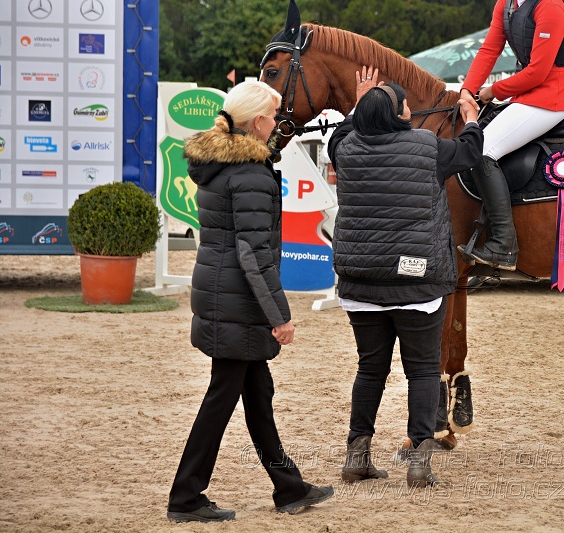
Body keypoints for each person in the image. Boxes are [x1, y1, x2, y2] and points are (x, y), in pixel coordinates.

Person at [167, 81, 333, 523]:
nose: (279, 124)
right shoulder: (252, 174)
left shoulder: (220, 166)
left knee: (258, 394)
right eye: (275, 117)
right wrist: (280, 317)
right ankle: (185, 497)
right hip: (237, 301)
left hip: (224, 296)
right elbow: (254, 255)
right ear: (259, 121)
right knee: (221, 399)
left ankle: (289, 487)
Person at [327, 67, 484, 487]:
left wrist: (360, 101)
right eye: (405, 107)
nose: (411, 110)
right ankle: (419, 462)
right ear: (398, 115)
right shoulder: (427, 146)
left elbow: (338, 136)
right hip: (417, 284)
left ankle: (356, 456)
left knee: (370, 370)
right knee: (421, 371)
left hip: (361, 285)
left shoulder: (346, 149)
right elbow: (470, 152)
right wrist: (470, 116)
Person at [457, 0, 564, 271]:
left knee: (483, 150)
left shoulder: (552, 4)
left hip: (551, 97)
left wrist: (492, 91)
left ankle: (503, 245)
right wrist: (467, 90)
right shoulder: (507, 0)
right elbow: (489, 49)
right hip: (527, 94)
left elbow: (539, 72)